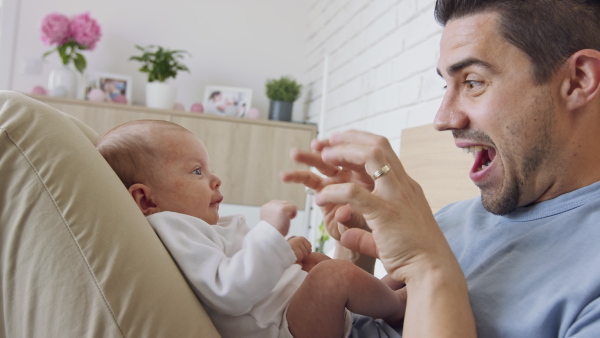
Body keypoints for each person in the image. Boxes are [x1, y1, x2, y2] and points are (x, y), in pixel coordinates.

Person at [283, 0, 600, 337]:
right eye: (446, 85)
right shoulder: (452, 219)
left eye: (473, 82)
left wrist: (428, 267)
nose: (443, 119)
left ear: (578, 80)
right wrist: (356, 234)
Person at [95, 120, 407, 338]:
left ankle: (385, 297)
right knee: (333, 276)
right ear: (145, 198)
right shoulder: (171, 228)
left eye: (209, 168)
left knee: (318, 265)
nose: (214, 179)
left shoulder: (195, 228)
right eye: (196, 171)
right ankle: (399, 307)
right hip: (284, 329)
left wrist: (285, 254)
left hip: (291, 316)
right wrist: (270, 231)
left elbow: (249, 265)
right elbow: (228, 290)